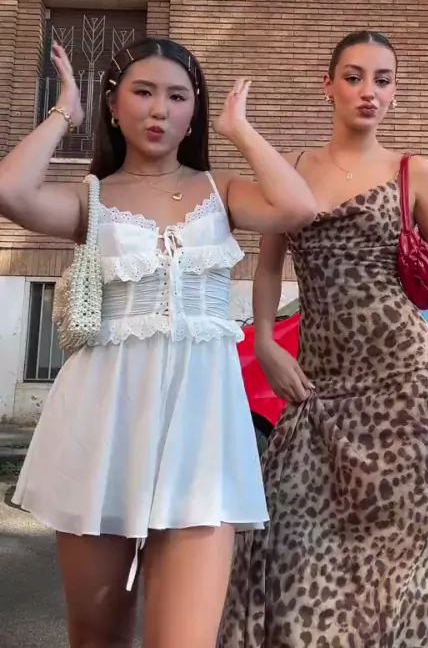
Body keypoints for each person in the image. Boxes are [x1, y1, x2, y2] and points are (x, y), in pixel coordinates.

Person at [0, 36, 317, 648]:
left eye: (177, 96)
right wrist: (64, 110)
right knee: (97, 635)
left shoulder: (222, 192)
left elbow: (297, 206)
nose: (158, 110)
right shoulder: (90, 198)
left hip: (202, 438)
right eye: (142, 92)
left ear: (193, 111)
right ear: (113, 104)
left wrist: (240, 131)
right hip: (101, 430)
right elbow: (10, 191)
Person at [219, 30, 428, 648]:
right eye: (355, 76)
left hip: (409, 396)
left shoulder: (415, 173)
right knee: (287, 551)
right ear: (328, 85)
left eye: (382, 80)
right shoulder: (293, 169)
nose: (369, 91)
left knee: (401, 578)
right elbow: (267, 267)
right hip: (319, 392)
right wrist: (264, 340)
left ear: (394, 93)